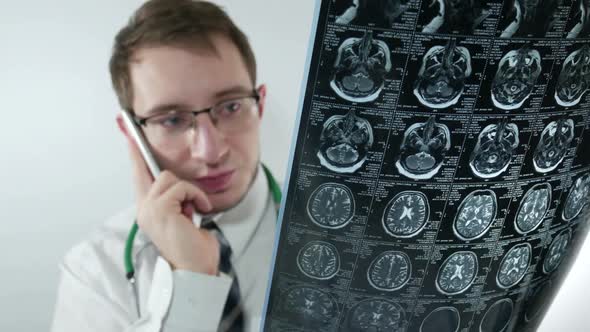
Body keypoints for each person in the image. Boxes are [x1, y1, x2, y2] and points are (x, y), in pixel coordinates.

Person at [51, 0, 279, 331]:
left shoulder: (346, 239)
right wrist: (191, 280)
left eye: (230, 107)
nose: (210, 151)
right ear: (132, 133)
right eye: (172, 119)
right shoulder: (95, 271)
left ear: (260, 104)